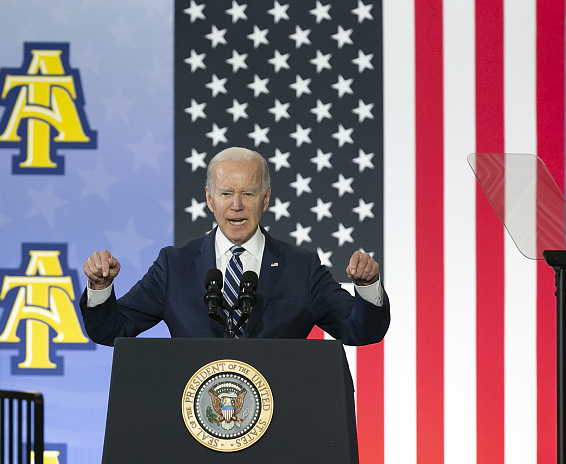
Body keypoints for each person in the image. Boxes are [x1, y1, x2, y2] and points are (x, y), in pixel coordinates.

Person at [80, 146, 390, 345]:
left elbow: (361, 331)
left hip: (280, 431)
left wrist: (368, 287)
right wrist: (100, 286)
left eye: (249, 194)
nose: (236, 206)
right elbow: (112, 330)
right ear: (209, 199)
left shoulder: (301, 268)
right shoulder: (175, 265)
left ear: (266, 199)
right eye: (227, 193)